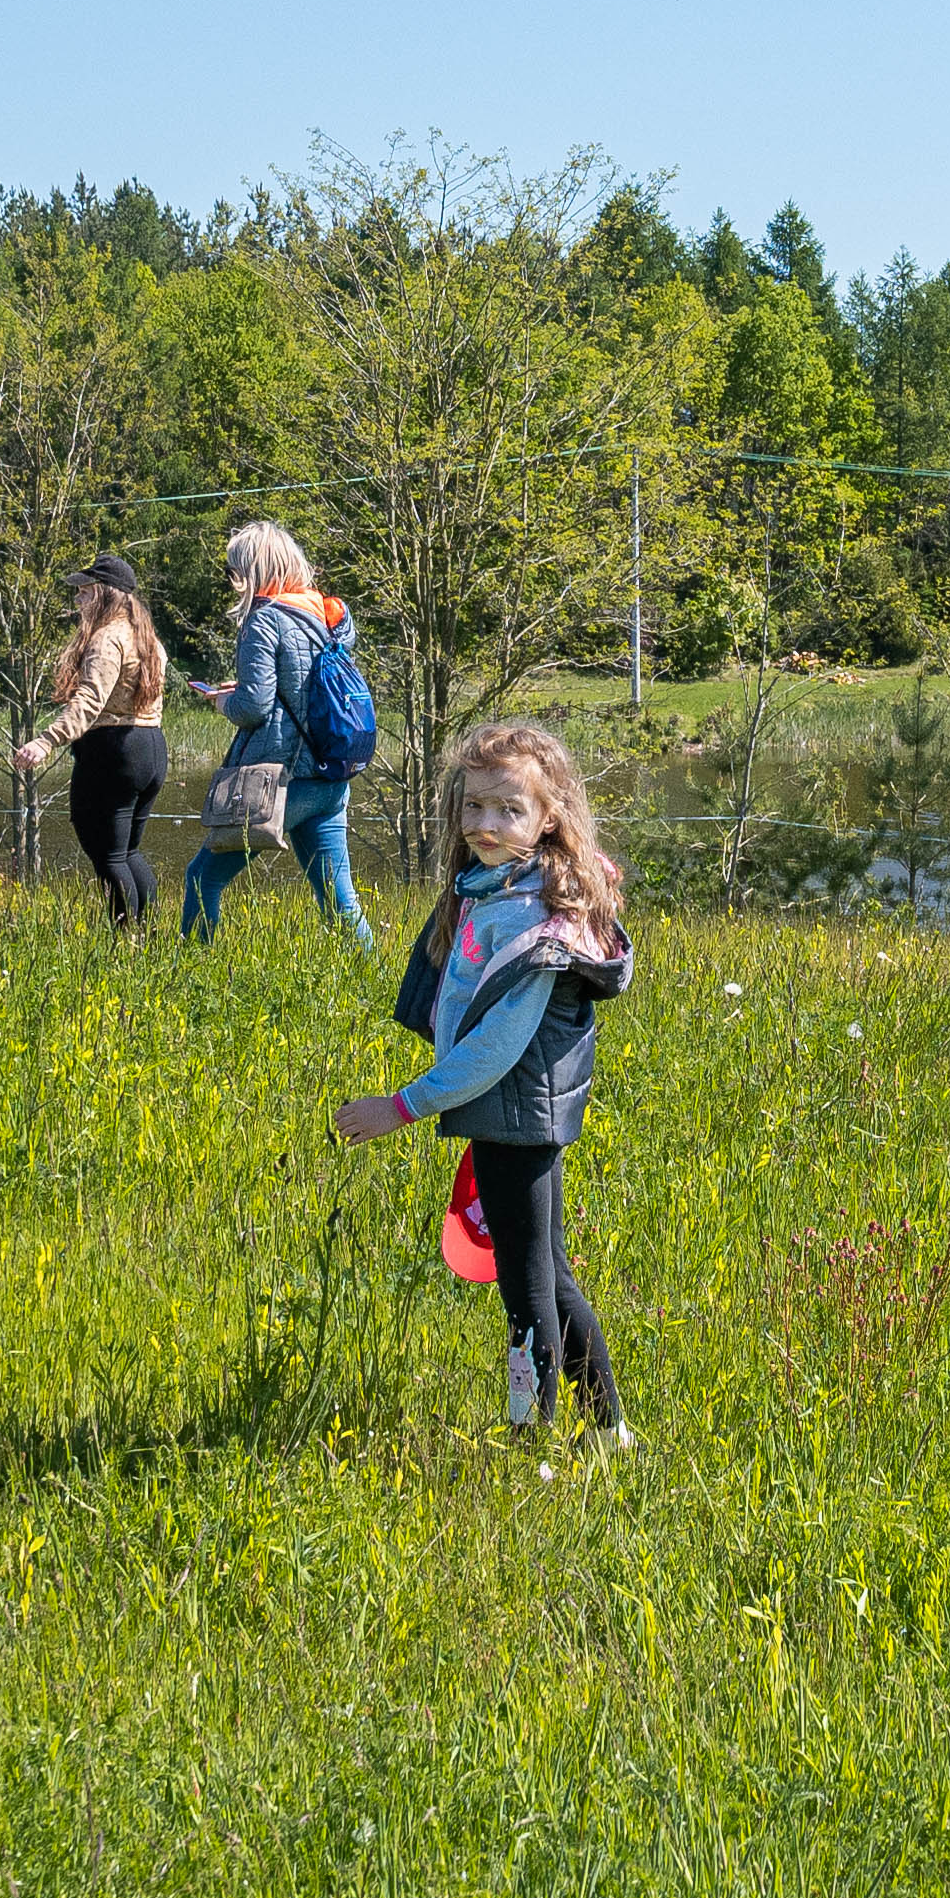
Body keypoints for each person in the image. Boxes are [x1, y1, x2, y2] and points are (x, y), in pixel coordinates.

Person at [332, 720, 636, 1441]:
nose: (486, 824)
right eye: (474, 807)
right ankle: (606, 1429)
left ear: (549, 816)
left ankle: (530, 1437)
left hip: (515, 1111)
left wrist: (401, 1107)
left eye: (508, 809)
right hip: (516, 1110)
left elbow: (497, 1046)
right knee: (548, 1270)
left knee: (525, 1287)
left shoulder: (537, 918)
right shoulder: (493, 887)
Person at [183, 521, 372, 941]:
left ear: (253, 570)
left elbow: (253, 707)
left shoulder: (264, 622)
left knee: (202, 878)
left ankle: (191, 972)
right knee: (340, 902)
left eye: (236, 571)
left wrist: (221, 701)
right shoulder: (327, 616)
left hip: (283, 781)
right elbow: (301, 690)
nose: (233, 581)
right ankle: (376, 983)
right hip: (331, 775)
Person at [14, 554, 172, 929]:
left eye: (84, 592)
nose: (78, 601)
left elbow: (89, 699)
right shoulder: (147, 638)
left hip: (114, 751)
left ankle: (125, 941)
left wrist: (46, 741)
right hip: (151, 747)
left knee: (108, 856)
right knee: (127, 852)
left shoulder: (107, 639)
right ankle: (148, 936)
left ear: (104, 594)